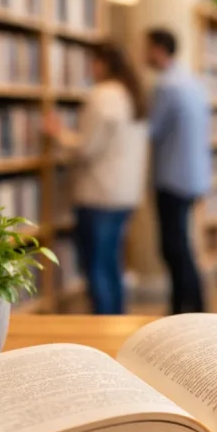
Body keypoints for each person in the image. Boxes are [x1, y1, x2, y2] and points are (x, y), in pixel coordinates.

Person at [44, 42, 148, 315]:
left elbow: (86, 147)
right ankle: (116, 325)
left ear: (103, 63)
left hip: (100, 193)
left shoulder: (103, 96)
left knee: (96, 267)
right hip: (125, 194)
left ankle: (103, 326)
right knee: (112, 264)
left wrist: (59, 134)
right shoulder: (131, 94)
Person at [146, 27, 211, 315]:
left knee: (174, 248)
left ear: (159, 49)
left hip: (173, 177)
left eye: (146, 47)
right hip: (195, 176)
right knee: (183, 245)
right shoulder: (193, 82)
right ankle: (192, 306)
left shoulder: (167, 86)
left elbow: (152, 129)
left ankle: (182, 310)